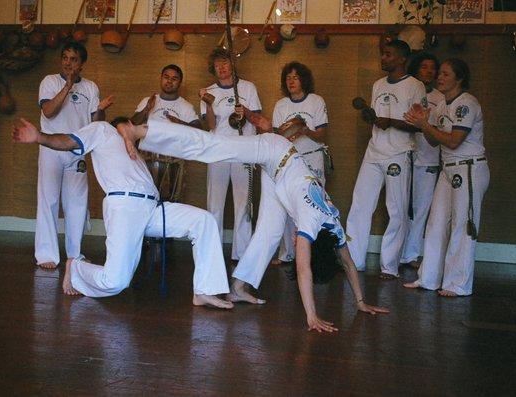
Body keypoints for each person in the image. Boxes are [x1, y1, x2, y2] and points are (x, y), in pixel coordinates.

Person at [116, 119, 389, 332]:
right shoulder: (310, 222)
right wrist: (311, 316)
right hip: (275, 150)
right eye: (301, 246)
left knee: (270, 232)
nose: (295, 245)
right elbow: (303, 269)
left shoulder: (335, 226)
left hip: (281, 178)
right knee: (213, 146)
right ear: (309, 243)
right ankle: (138, 131)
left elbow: (348, 263)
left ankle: (238, 287)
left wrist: (361, 303)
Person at [12, 117, 233, 309]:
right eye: (132, 125)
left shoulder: (133, 149)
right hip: (125, 206)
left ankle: (205, 290)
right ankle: (77, 268)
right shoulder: (101, 130)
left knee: (204, 220)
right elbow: (70, 141)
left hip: (153, 208)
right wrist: (39, 137)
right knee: (116, 282)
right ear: (124, 125)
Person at [403, 58, 489, 297]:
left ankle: (458, 284)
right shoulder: (441, 106)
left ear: (459, 78)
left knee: (462, 225)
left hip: (469, 167)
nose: (439, 77)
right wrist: (422, 123)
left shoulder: (467, 104)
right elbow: (433, 140)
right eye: (440, 73)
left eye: (445, 74)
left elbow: (454, 140)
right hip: (448, 168)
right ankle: (428, 278)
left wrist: (425, 125)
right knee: (436, 222)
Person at [345, 40, 427, 280]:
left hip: (398, 154)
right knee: (360, 204)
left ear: (402, 59)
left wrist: (390, 122)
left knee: (396, 210)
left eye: (388, 55)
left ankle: (389, 266)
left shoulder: (415, 86)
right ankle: (353, 261)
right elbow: (377, 117)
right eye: (383, 54)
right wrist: (373, 118)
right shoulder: (378, 84)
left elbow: (419, 125)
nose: (383, 58)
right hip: (374, 151)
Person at [36, 42, 114, 269]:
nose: (68, 63)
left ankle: (75, 254)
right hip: (51, 147)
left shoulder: (90, 87)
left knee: (77, 203)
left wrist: (101, 108)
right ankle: (46, 254)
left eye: (74, 59)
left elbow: (96, 124)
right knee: (48, 200)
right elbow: (48, 112)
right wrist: (67, 87)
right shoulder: (50, 81)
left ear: (82, 64)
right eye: (65, 58)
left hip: (77, 150)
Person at [199, 48, 262, 261]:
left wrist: (246, 112)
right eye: (217, 65)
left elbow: (257, 120)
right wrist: (208, 104)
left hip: (243, 150)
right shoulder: (208, 91)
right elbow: (210, 125)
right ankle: (212, 251)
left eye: (225, 63)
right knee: (214, 202)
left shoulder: (248, 87)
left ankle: (242, 253)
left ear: (232, 65)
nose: (222, 68)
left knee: (243, 203)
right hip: (218, 151)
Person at [272, 61, 330, 265]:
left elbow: (322, 135)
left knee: (314, 204)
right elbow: (277, 136)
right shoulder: (281, 105)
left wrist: (304, 130)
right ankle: (287, 253)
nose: (291, 81)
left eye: (295, 77)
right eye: (288, 78)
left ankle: (315, 253)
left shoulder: (315, 101)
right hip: (290, 159)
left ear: (303, 79)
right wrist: (290, 133)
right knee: (288, 205)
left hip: (312, 156)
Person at [400, 53, 445, 269]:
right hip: (405, 154)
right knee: (402, 207)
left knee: (421, 209)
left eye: (432, 68)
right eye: (424, 67)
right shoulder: (407, 89)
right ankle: (399, 252)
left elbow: (441, 131)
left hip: (429, 158)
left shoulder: (441, 98)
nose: (428, 71)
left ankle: (412, 254)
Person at [131, 64, 201, 128]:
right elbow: (132, 124)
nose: (169, 81)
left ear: (180, 83)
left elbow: (199, 129)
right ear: (161, 79)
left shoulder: (186, 106)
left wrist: (180, 123)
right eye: (166, 77)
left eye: (174, 79)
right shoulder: (147, 101)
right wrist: (146, 109)